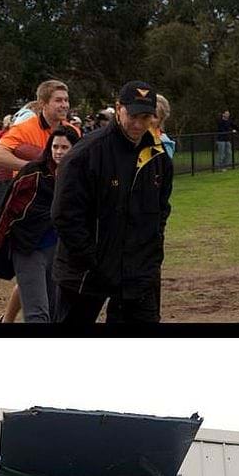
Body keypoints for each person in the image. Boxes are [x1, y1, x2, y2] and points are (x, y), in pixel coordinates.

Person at [52, 80, 173, 324]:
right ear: (119, 109)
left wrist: (150, 252)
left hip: (138, 272)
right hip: (86, 273)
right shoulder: (86, 154)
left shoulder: (158, 156)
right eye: (133, 115)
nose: (139, 124)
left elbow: (161, 209)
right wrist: (94, 260)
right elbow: (64, 215)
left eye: (146, 116)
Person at [0, 79, 74, 324]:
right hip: (29, 215)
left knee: (46, 294)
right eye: (58, 100)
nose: (64, 105)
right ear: (42, 104)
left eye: (66, 100)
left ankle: (6, 320)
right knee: (37, 301)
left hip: (57, 218)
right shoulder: (25, 129)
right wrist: (34, 168)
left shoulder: (70, 131)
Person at [0, 125, 81, 323]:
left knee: (54, 309)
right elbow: (8, 208)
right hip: (28, 247)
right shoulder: (33, 173)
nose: (59, 152)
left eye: (64, 147)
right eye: (55, 147)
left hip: (57, 250)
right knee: (37, 312)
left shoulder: (77, 177)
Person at [152, 94, 175, 159]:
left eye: (155, 116)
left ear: (160, 120)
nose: (149, 119)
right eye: (147, 114)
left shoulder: (164, 143)